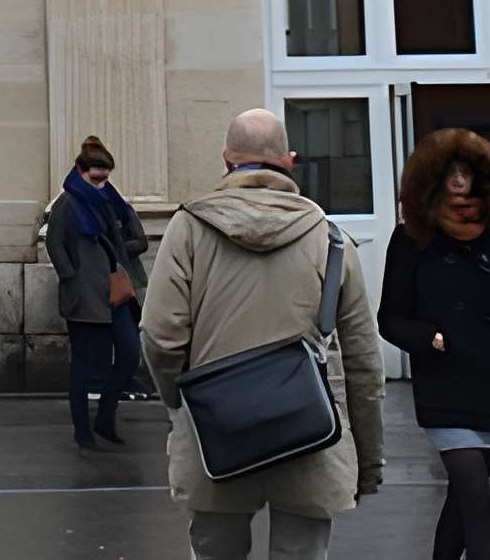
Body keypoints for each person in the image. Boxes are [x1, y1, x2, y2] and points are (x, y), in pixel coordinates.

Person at [144, 110, 385, 559]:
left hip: (216, 433)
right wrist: (366, 462)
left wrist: (182, 404)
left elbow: (159, 337)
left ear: (226, 160)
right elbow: (363, 364)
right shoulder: (331, 239)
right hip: (310, 436)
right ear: (289, 161)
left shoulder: (188, 229)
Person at [378, 130, 490, 560]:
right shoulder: (411, 239)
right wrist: (432, 339)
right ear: (432, 181)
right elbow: (389, 320)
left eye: (467, 173)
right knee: (478, 507)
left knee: (462, 506)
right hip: (444, 386)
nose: (460, 183)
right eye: (451, 174)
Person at [46, 136, 150, 446]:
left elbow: (135, 238)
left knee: (130, 354)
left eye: (106, 175)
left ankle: (105, 416)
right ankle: (83, 430)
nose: (103, 181)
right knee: (83, 365)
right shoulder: (66, 204)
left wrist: (120, 253)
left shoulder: (110, 203)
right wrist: (71, 276)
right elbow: (54, 243)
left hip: (114, 292)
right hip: (83, 297)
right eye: (96, 176)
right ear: (80, 170)